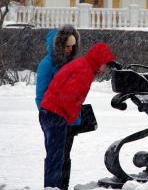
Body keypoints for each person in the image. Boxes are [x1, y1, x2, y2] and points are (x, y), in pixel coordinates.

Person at [39, 42, 115, 190]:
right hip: (55, 115)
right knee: (56, 160)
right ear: (99, 60)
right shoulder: (84, 71)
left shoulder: (83, 65)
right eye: (105, 63)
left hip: (50, 112)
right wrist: (75, 118)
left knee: (56, 158)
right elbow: (67, 98)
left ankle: (56, 187)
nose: (105, 67)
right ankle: (53, 187)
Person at [35, 25, 80, 190]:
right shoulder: (47, 65)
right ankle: (52, 187)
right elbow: (41, 96)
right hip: (52, 117)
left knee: (65, 157)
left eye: (72, 46)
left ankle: (63, 187)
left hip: (70, 118)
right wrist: (50, 115)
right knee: (55, 158)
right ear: (58, 45)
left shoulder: (72, 63)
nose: (70, 49)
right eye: (67, 46)